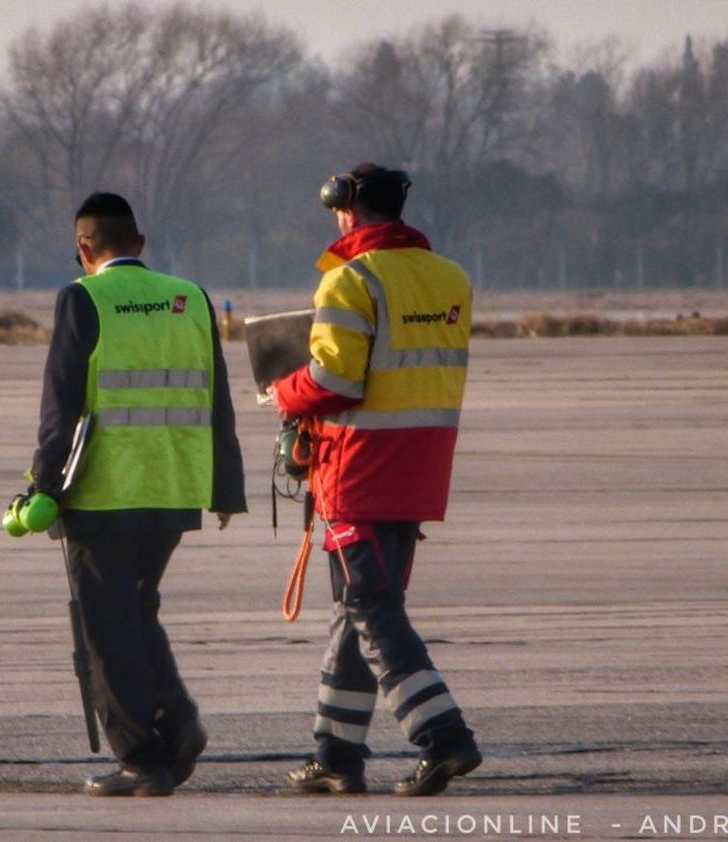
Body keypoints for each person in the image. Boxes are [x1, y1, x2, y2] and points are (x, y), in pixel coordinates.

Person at [270, 163, 481, 797]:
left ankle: (443, 737)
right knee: (353, 614)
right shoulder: (450, 277)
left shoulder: (348, 279)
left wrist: (281, 389)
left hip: (357, 468)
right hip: (420, 468)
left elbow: (334, 380)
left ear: (349, 210)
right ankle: (337, 755)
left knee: (368, 607)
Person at [30, 192, 246, 797]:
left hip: (103, 492)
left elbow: (61, 406)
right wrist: (226, 489)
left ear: (83, 249)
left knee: (106, 628)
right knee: (137, 607)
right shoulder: (192, 299)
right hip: (175, 487)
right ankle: (175, 720)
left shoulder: (82, 297)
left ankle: (141, 757)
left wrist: (43, 487)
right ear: (140, 245)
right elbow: (217, 399)